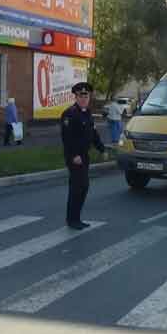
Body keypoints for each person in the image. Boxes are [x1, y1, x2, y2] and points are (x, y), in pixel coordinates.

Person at [61, 82, 105, 230]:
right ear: (76, 97)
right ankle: (72, 219)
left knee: (83, 187)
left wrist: (102, 149)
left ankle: (76, 218)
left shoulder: (87, 113)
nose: (84, 98)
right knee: (78, 187)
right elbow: (67, 138)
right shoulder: (70, 114)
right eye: (81, 96)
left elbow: (93, 134)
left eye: (86, 96)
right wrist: (74, 155)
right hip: (74, 157)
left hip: (84, 156)